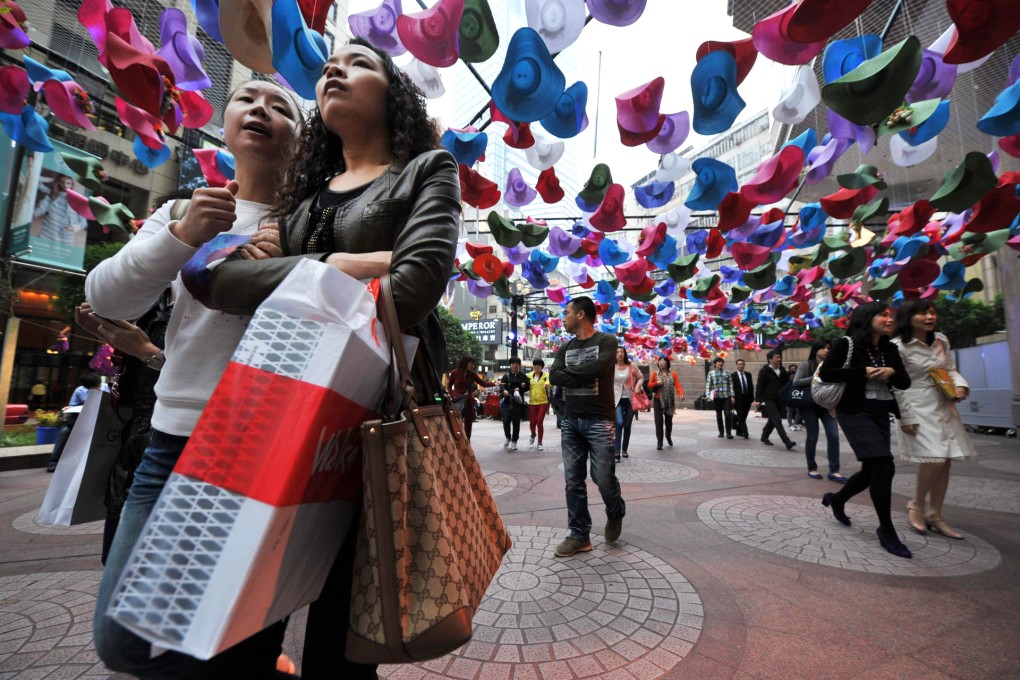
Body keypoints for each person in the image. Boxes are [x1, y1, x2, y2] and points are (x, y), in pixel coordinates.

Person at [207, 40, 461, 677]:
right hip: (282, 413)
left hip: (374, 424)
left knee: (343, 642)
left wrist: (289, 271)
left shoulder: (429, 170)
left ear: (394, 95)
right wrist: (340, 265)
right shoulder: (306, 195)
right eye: (329, 65)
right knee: (250, 623)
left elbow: (415, 286)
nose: (334, 70)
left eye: (360, 63)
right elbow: (225, 287)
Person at [87, 79, 308, 678]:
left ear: (300, 138)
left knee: (237, 638)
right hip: (172, 442)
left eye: (281, 106)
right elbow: (108, 296)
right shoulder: (183, 209)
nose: (261, 108)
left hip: (265, 448)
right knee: (122, 638)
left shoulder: (311, 223)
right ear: (226, 122)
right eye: (249, 98)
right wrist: (184, 238)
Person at [820, 301, 912, 558]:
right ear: (867, 317)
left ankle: (837, 500)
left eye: (889, 314)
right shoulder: (847, 344)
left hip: (881, 411)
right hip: (855, 411)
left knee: (873, 469)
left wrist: (892, 371)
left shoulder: (890, 349)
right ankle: (886, 530)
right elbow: (827, 374)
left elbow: (905, 382)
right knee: (884, 466)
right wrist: (863, 372)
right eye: (883, 315)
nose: (889, 318)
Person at [550, 296, 625, 558]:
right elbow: (553, 375)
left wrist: (572, 373)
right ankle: (579, 535)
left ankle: (615, 511)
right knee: (573, 480)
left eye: (567, 312)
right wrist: (584, 372)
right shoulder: (565, 347)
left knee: (602, 477)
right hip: (570, 420)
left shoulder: (606, 341)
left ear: (581, 315)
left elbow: (598, 368)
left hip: (599, 420)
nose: (564, 317)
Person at [893, 299, 975, 539]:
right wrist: (905, 416)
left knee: (946, 459)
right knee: (935, 458)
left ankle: (935, 514)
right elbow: (896, 385)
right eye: (922, 313)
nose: (929, 317)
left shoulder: (941, 340)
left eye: (931, 312)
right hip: (916, 405)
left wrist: (960, 386)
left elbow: (949, 368)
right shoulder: (898, 346)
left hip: (943, 403)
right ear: (908, 318)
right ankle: (917, 505)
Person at [793, 340, 845, 482]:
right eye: (822, 348)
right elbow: (796, 382)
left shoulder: (834, 365)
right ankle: (812, 468)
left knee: (833, 436)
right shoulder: (807, 365)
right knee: (812, 436)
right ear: (816, 350)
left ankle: (834, 470)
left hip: (827, 405)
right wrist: (817, 377)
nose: (826, 350)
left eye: (828, 348)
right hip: (809, 406)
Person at [46, 373, 107, 472]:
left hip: (101, 422)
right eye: (93, 388)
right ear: (86, 387)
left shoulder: (108, 389)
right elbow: (72, 406)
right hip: (82, 421)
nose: (97, 389)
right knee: (64, 432)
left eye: (98, 386)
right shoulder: (79, 391)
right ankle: (53, 462)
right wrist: (67, 412)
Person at [754, 350, 796, 450]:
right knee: (777, 420)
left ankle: (764, 436)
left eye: (779, 357)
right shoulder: (764, 371)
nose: (779, 359)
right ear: (770, 359)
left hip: (780, 399)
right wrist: (758, 399)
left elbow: (786, 384)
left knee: (773, 420)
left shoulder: (782, 370)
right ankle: (787, 441)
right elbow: (759, 385)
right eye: (777, 357)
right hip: (769, 399)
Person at [447, 356, 495, 440]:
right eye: (471, 364)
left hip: (469, 401)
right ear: (465, 363)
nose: (473, 366)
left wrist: (494, 384)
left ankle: (467, 441)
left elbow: (483, 383)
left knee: (468, 423)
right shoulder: (455, 372)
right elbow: (449, 386)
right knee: (457, 422)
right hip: (458, 401)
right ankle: (457, 440)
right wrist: (453, 395)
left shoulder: (472, 374)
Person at [34, 173, 87, 244]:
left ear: (72, 185)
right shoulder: (53, 194)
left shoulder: (76, 200)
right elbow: (39, 210)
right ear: (58, 183)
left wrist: (74, 227)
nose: (65, 185)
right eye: (62, 182)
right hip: (47, 233)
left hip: (66, 238)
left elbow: (84, 223)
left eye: (68, 183)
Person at [648, 355, 684, 450]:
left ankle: (668, 436)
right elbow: (649, 385)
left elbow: (677, 385)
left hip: (669, 400)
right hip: (658, 400)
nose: (661, 363)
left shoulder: (673, 374)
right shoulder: (655, 374)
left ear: (667, 363)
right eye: (660, 361)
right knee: (658, 421)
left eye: (663, 361)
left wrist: (681, 394)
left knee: (669, 422)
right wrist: (657, 383)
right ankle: (659, 442)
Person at [612, 348, 643, 460]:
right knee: (619, 422)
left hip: (630, 399)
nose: (619, 354)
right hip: (617, 399)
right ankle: (617, 451)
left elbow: (640, 377)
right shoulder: (611, 366)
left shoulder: (631, 365)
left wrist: (638, 385)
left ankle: (624, 449)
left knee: (627, 425)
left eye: (621, 352)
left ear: (624, 354)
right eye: (617, 352)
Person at [500, 358, 529, 450]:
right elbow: (502, 386)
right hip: (507, 401)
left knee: (516, 422)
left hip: (518, 402)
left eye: (517, 364)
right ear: (510, 365)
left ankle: (514, 441)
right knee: (506, 421)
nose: (515, 365)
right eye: (513, 364)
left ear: (519, 365)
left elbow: (528, 387)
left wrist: (523, 387)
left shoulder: (523, 376)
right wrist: (504, 390)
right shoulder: (506, 376)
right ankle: (508, 437)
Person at [706, 357, 734, 439]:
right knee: (719, 415)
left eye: (721, 362)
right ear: (715, 364)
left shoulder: (727, 373)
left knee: (727, 414)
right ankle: (721, 432)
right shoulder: (711, 373)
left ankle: (728, 433)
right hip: (717, 397)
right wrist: (708, 396)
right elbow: (708, 385)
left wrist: (732, 396)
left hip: (726, 397)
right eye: (718, 362)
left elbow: (731, 385)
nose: (720, 363)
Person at [527, 358, 552, 450]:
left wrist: (547, 383)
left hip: (543, 402)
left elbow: (550, 381)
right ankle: (533, 434)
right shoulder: (529, 375)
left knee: (539, 422)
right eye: (535, 365)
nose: (536, 367)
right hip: (532, 402)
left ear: (542, 366)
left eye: (538, 365)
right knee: (532, 423)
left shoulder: (546, 375)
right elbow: (524, 382)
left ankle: (539, 442)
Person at [730, 358, 754, 439]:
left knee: (744, 415)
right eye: (739, 364)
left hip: (747, 398)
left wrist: (752, 397)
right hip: (738, 399)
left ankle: (739, 431)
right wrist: (732, 397)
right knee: (740, 415)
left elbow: (751, 386)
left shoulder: (748, 374)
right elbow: (731, 387)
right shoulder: (733, 376)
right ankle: (745, 432)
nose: (741, 365)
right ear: (736, 365)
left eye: (742, 364)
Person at [786, 363, 803, 431]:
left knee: (799, 411)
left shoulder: (798, 380)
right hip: (788, 398)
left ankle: (796, 423)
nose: (793, 377)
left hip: (796, 397)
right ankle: (790, 424)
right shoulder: (787, 382)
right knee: (789, 411)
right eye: (791, 376)